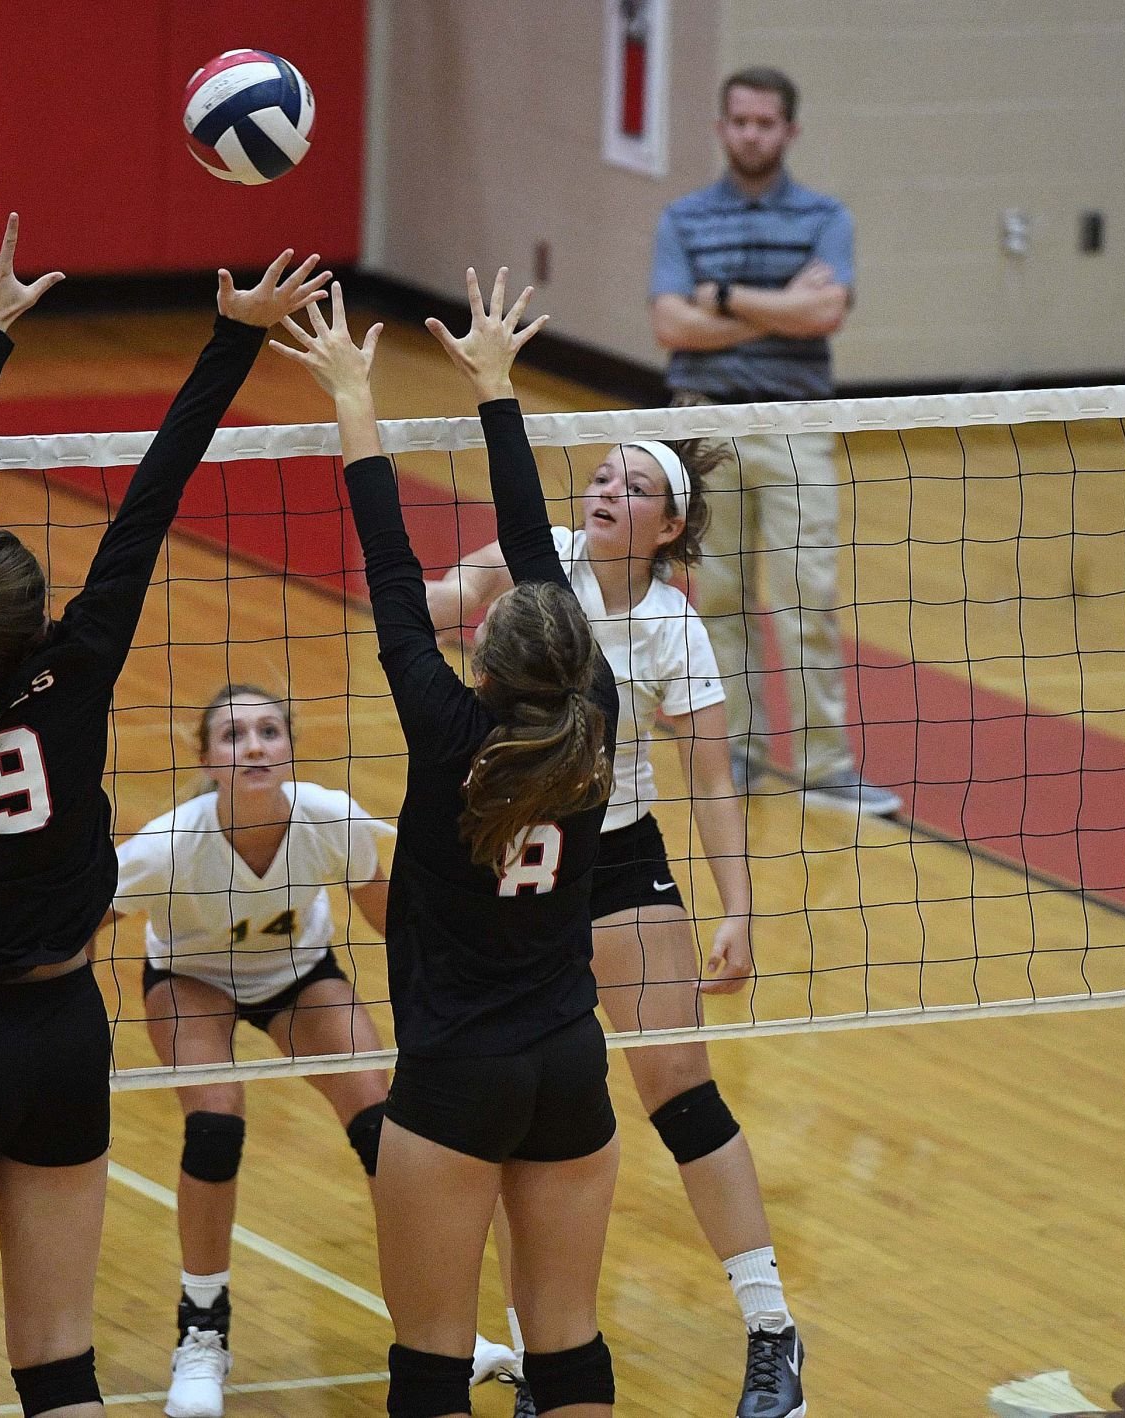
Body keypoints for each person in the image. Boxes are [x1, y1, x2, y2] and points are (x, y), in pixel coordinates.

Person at [0, 206, 327, 1418]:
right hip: (65, 1038)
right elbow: (150, 504)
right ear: (37, 618)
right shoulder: (78, 671)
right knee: (62, 1373)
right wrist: (231, 339)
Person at [274, 270, 622, 1418]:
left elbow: (387, 561)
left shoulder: (446, 728)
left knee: (430, 1359)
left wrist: (352, 395)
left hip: (459, 1072)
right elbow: (534, 549)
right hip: (570, 1057)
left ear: (481, 657)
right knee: (567, 1343)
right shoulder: (596, 714)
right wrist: (494, 383)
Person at [427, 436, 807, 1418]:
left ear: (669, 528)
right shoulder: (530, 558)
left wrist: (739, 909)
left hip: (620, 853)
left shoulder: (677, 627)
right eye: (600, 476)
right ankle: (535, 1353)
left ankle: (772, 1330)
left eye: (633, 486)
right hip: (516, 853)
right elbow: (428, 606)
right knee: (524, 1102)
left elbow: (714, 777)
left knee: (679, 1088)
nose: (606, 491)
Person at [105, 682, 394, 1418]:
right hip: (191, 979)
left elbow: (400, 925)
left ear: (289, 747)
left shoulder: (332, 819)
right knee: (215, 1123)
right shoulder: (168, 846)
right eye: (234, 736)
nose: (255, 745)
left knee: (387, 1131)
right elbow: (80, 924)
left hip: (298, 976)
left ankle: (436, 1326)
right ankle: (201, 1331)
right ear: (207, 759)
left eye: (269, 731)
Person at [650, 64, 901, 818]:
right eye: (739, 121)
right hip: (706, 427)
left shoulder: (826, 217)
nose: (750, 134)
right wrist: (781, 307)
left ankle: (828, 768)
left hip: (794, 426)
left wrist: (722, 300)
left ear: (789, 131)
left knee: (805, 600)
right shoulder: (682, 219)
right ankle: (741, 753)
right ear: (721, 126)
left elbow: (824, 315)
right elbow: (669, 327)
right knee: (718, 597)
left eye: (765, 123)